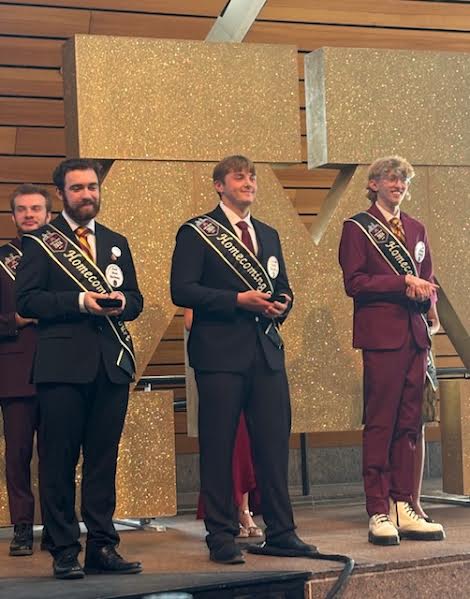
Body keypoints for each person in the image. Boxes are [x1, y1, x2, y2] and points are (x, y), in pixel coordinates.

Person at [171, 155, 316, 565]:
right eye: (239, 177)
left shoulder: (267, 235)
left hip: (265, 353)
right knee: (218, 448)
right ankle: (220, 534)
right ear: (220, 185)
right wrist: (237, 300)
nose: (248, 182)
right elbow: (182, 290)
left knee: (272, 447)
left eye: (252, 177)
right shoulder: (197, 232)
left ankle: (283, 532)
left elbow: (282, 287)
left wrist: (281, 306)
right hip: (218, 355)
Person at [15, 158, 144, 579]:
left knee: (103, 463)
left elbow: (136, 299)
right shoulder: (39, 242)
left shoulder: (116, 241)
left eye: (92, 187)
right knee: (58, 463)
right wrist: (79, 302)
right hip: (62, 368)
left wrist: (123, 303)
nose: (87, 194)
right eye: (77, 188)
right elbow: (27, 302)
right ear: (61, 195)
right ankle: (65, 550)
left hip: (111, 367)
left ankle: (103, 547)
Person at [339, 155, 445, 545]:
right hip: (382, 336)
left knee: (410, 423)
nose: (398, 186)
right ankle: (378, 508)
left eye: (403, 181)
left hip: (416, 335)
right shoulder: (357, 228)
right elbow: (355, 282)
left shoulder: (416, 228)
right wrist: (400, 281)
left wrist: (431, 315)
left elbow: (427, 275)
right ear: (373, 185)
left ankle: (404, 502)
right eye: (391, 180)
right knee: (381, 423)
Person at [0, 184, 51, 556]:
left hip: (61, 369)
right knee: (17, 455)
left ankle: (56, 526)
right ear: (13, 216)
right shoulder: (1, 258)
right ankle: (21, 528)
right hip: (15, 372)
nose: (29, 214)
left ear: (49, 213)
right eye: (22, 209)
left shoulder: (66, 256)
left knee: (57, 455)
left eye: (36, 208)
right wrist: (15, 319)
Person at [184, 309, 262, 537]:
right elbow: (189, 321)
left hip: (248, 364)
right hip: (217, 364)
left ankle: (244, 510)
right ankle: (227, 513)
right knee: (225, 445)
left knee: (245, 444)